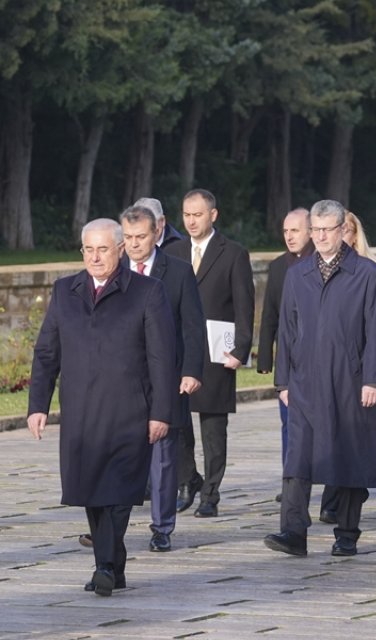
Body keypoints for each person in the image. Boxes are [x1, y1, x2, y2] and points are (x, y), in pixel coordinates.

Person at [27, 217, 177, 596]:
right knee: (90, 491)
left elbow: (162, 357)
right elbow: (47, 353)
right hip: (81, 414)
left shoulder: (147, 291)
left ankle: (106, 566)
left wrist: (162, 412)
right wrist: (38, 404)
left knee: (120, 491)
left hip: (130, 412)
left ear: (120, 249)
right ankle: (113, 566)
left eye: (103, 249)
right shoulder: (66, 291)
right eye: (88, 249)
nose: (95, 257)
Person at [265, 200, 376, 558]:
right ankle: (293, 531)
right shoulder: (297, 274)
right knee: (297, 458)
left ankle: (347, 533)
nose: (319, 236)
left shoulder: (367, 274)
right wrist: (283, 381)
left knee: (351, 455)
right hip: (304, 382)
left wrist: (374, 380)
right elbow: (286, 332)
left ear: (341, 230)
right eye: (314, 230)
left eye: (326, 230)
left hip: (351, 381)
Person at [165, 188, 256, 518]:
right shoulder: (173, 252)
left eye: (198, 214)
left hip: (217, 350)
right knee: (177, 422)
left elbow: (245, 305)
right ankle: (189, 478)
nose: (191, 221)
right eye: (187, 214)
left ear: (213, 215)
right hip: (180, 350)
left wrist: (241, 348)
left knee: (213, 430)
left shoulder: (232, 253)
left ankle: (211, 494)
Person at [120, 203, 204, 551]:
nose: (134, 244)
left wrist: (191, 371)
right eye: (127, 237)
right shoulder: (114, 269)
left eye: (141, 236)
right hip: (123, 378)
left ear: (157, 233)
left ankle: (162, 528)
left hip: (167, 376)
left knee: (164, 455)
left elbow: (193, 326)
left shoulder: (179, 272)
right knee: (119, 454)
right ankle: (110, 524)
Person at [256, 208, 314, 503]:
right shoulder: (280, 266)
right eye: (286, 231)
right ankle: (290, 479)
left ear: (311, 231)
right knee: (288, 422)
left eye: (296, 230)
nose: (290, 236)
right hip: (289, 358)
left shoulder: (321, 262)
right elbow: (270, 314)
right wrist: (265, 357)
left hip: (319, 357)